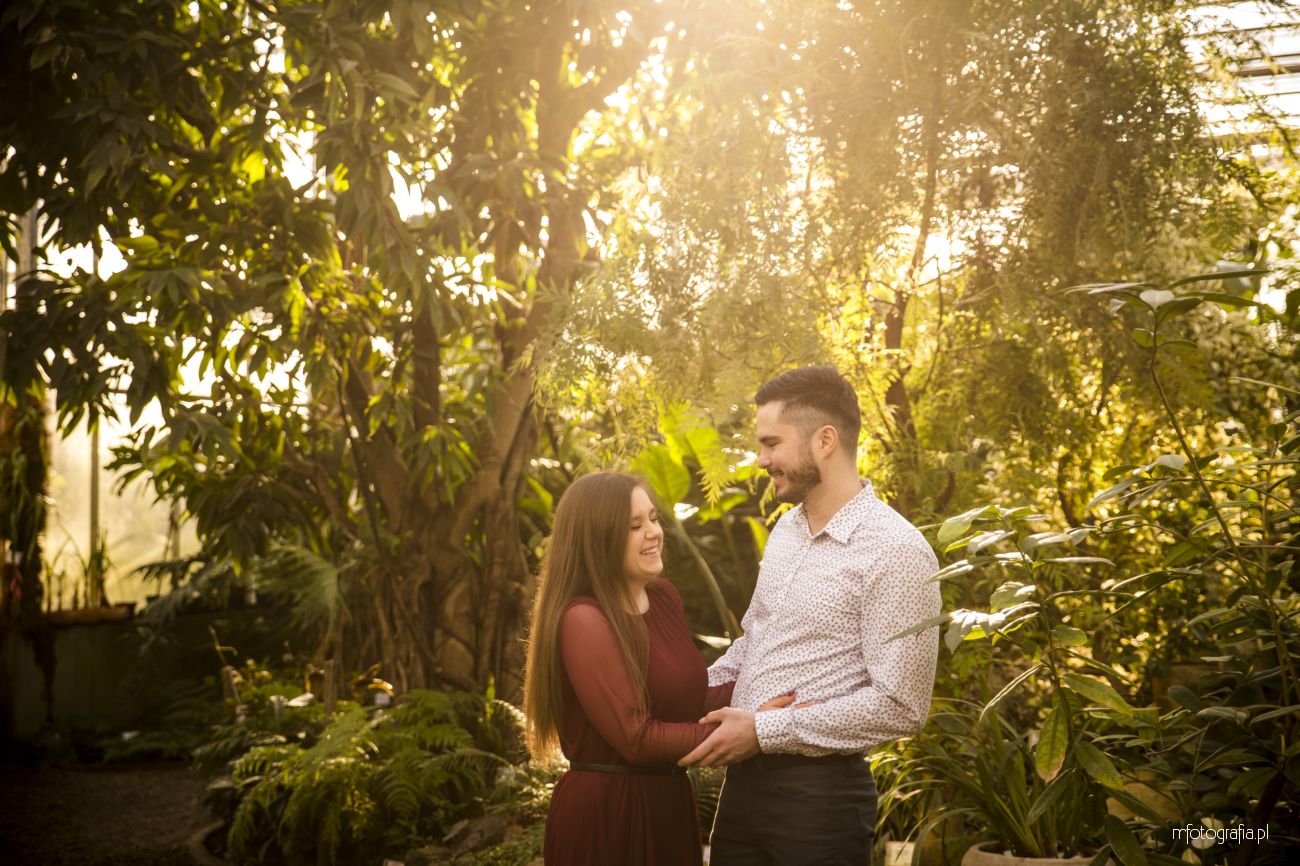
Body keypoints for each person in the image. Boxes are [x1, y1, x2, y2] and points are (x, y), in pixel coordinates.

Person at [679, 365, 943, 866]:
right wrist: (679, 692)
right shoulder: (785, 531)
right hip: (742, 792)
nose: (762, 460)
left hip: (819, 804)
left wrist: (763, 732)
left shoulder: (897, 550)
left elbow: (902, 706)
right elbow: (754, 642)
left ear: (825, 440)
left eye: (772, 443)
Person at [522, 471, 794, 866]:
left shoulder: (664, 597)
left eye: (652, 518)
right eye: (634, 526)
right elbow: (636, 738)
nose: (653, 532)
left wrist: (772, 690)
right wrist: (742, 730)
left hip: (669, 804)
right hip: (610, 814)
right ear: (596, 539)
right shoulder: (584, 620)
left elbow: (684, 702)